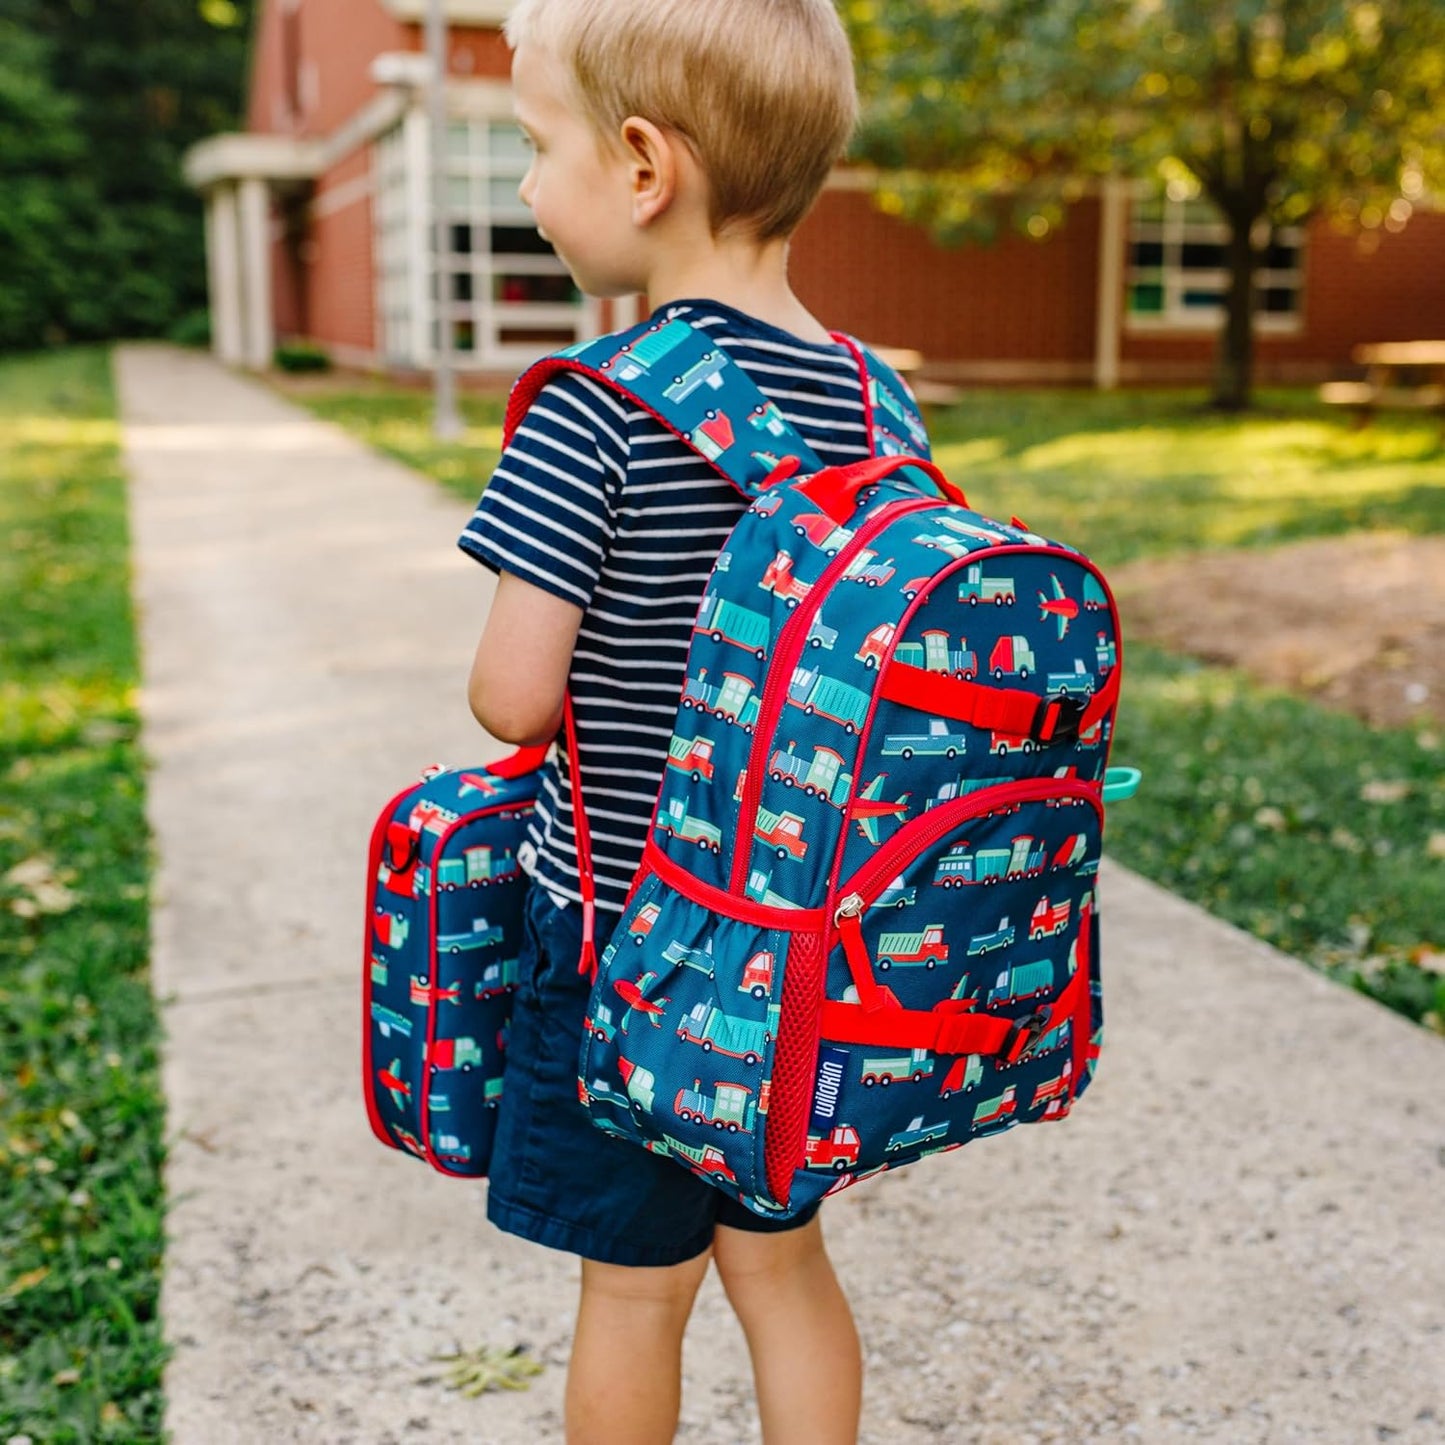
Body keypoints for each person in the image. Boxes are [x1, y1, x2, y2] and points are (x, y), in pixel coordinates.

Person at [459, 3, 922, 1440]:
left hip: (623, 937)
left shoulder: (590, 410)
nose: (528, 189)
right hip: (802, 942)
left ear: (642, 166)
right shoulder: (876, 401)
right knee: (781, 1268)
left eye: (539, 149)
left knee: (634, 1289)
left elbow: (514, 699)